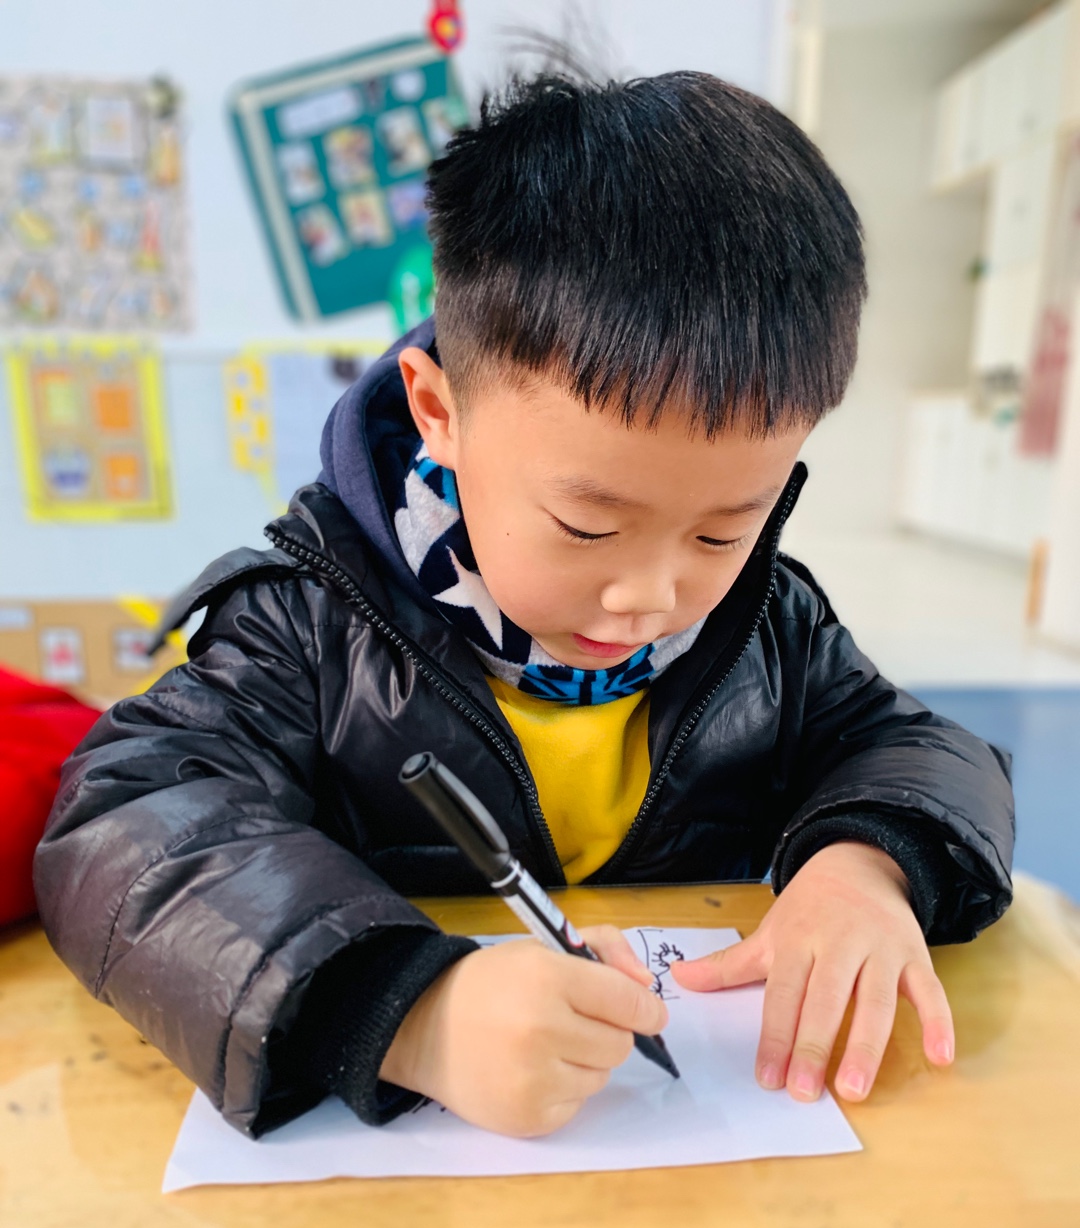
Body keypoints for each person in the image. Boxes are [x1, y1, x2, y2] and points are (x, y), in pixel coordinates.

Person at [35, 70, 1013, 1141]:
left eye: (720, 532)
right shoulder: (308, 628)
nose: (651, 596)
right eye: (587, 527)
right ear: (438, 412)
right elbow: (121, 825)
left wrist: (869, 866)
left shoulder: (769, 627)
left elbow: (922, 749)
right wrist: (406, 1011)